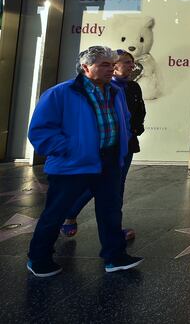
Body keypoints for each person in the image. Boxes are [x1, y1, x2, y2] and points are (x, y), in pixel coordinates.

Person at [26, 46, 143, 277]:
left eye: (112, 64)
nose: (111, 69)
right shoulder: (60, 94)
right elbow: (40, 132)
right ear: (86, 67)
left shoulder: (116, 92)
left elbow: (124, 119)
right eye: (104, 65)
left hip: (108, 161)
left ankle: (115, 256)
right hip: (72, 165)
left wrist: (123, 142)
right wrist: (71, 149)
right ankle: (38, 258)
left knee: (110, 211)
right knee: (56, 213)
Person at [60, 49, 146, 241]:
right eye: (126, 62)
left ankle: (113, 233)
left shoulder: (132, 87)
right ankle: (69, 214)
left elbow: (139, 112)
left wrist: (134, 130)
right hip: (97, 148)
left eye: (132, 63)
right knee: (93, 185)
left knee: (116, 187)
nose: (131, 66)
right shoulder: (93, 89)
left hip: (125, 145)